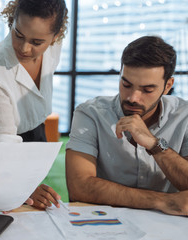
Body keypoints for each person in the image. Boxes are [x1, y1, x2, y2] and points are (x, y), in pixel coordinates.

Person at [66, 36, 188, 216]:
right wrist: (164, 201)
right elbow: (79, 187)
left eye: (147, 90)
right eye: (126, 84)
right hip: (105, 225)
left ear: (168, 85)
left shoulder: (184, 117)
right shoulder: (90, 114)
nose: (132, 98)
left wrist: (155, 145)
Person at [0, 0, 68, 210]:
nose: (24, 48)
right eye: (18, 34)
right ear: (12, 19)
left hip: (36, 134)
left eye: (36, 42)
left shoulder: (55, 45)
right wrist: (24, 188)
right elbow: (5, 140)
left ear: (56, 35)